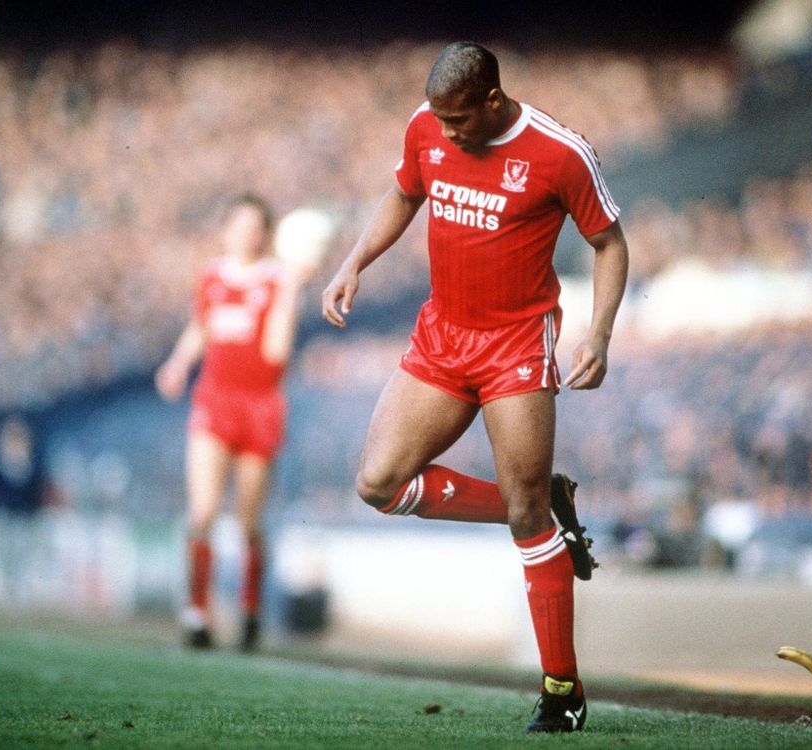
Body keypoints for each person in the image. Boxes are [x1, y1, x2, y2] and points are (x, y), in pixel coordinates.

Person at [321, 42, 628, 733]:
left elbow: (611, 243)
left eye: (460, 120)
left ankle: (562, 692)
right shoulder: (426, 125)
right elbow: (403, 194)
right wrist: (354, 262)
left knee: (526, 523)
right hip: (442, 337)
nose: (448, 133)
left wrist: (599, 334)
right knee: (379, 483)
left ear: (492, 100)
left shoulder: (559, 153)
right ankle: (540, 508)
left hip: (516, 346)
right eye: (441, 120)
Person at [156, 194, 309, 651]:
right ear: (225, 230)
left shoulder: (279, 279)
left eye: (254, 226)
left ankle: (249, 610)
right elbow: (200, 326)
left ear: (266, 233)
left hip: (260, 405)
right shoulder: (211, 275)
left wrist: (290, 294)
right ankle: (197, 613)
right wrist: (178, 362)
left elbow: (276, 354)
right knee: (201, 511)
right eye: (237, 224)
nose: (246, 234)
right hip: (214, 401)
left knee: (248, 521)